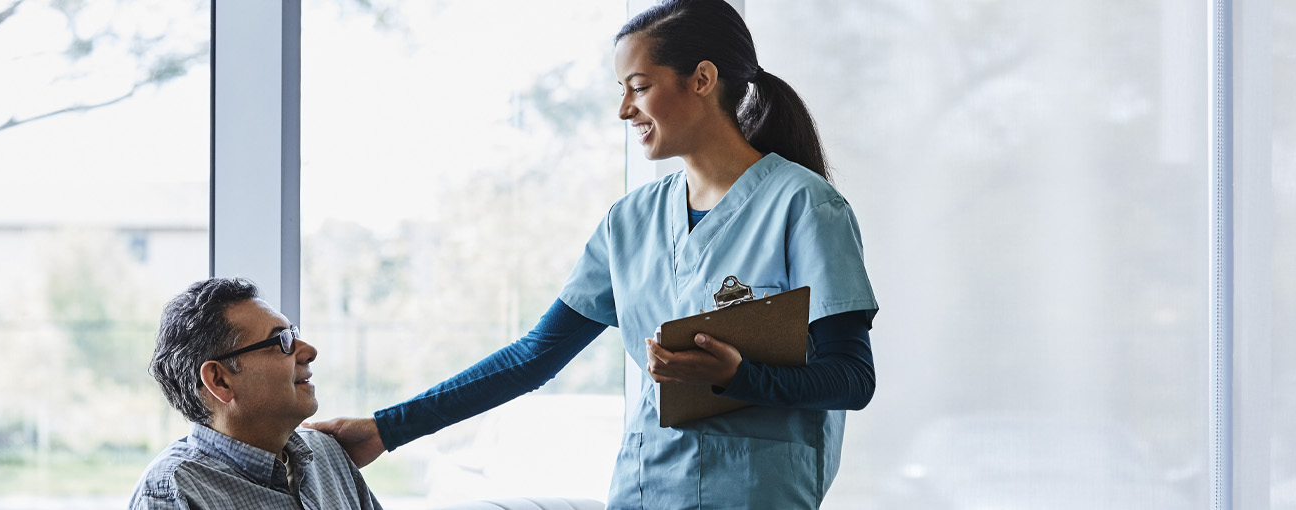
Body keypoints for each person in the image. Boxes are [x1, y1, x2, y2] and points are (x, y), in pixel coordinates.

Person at [304, 1, 878, 508]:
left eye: (638, 86)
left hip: (759, 496)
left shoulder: (803, 206)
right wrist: (386, 429)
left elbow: (852, 379)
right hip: (644, 490)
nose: (624, 110)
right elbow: (533, 357)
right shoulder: (629, 222)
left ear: (701, 79)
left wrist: (739, 376)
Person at [133, 277, 383, 510]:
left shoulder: (326, 452)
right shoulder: (173, 492)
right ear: (219, 381)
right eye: (281, 342)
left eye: (293, 335)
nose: (309, 351)